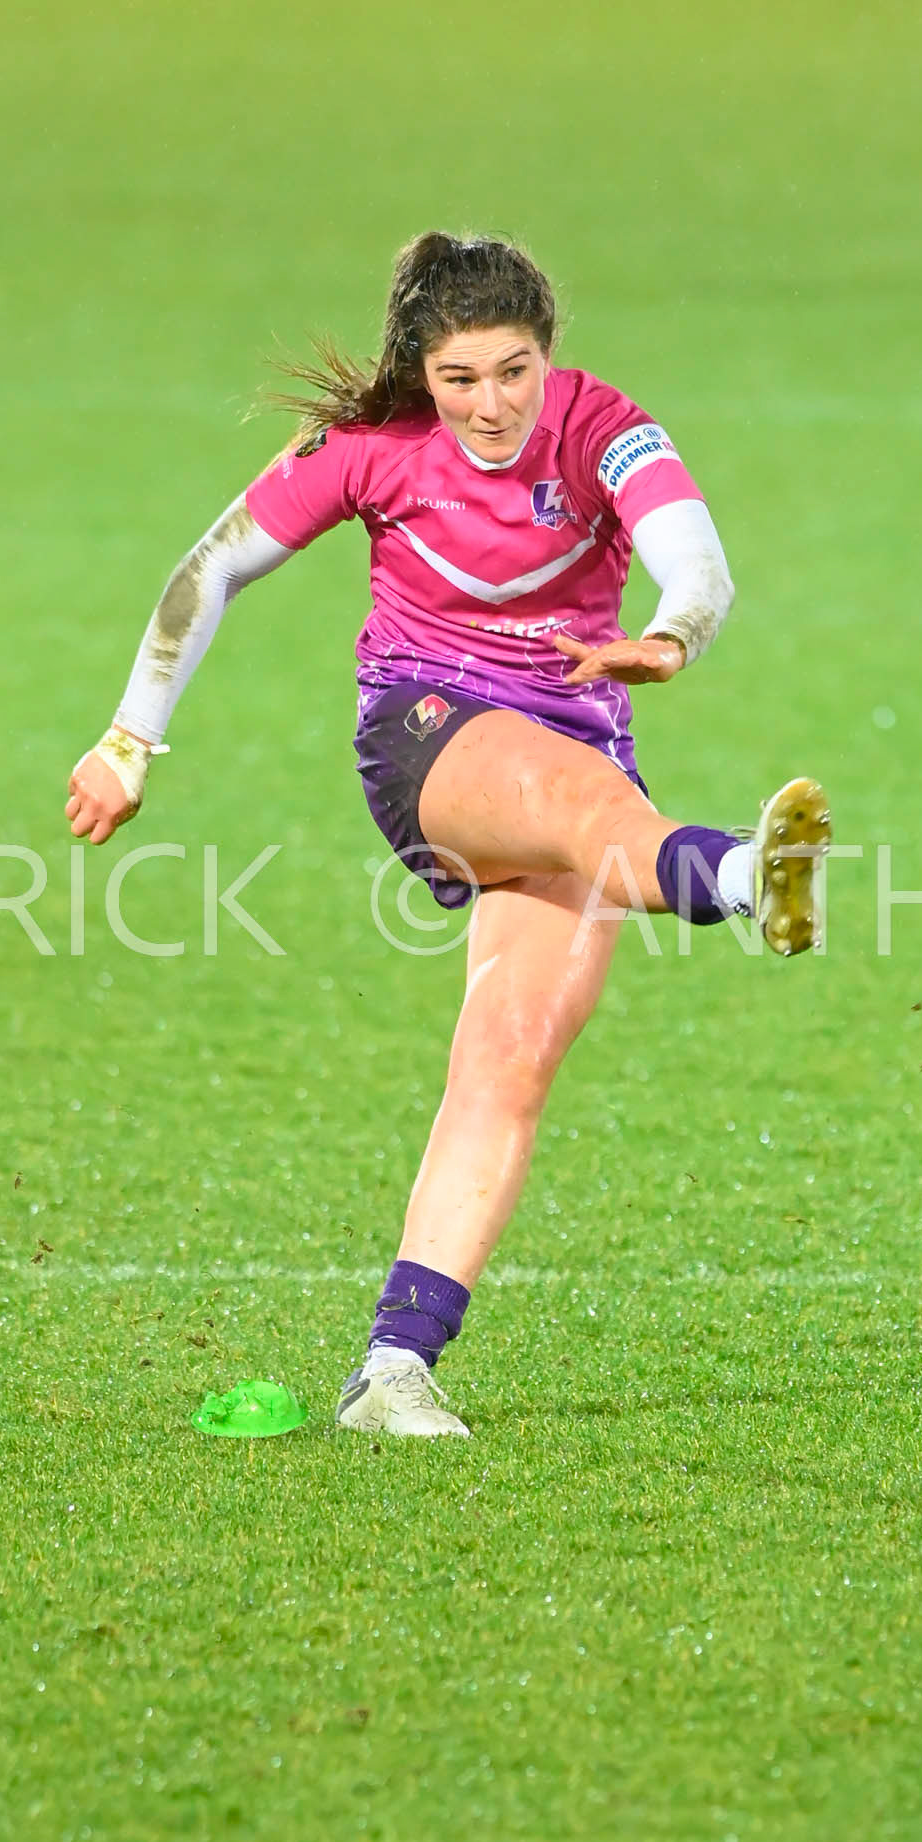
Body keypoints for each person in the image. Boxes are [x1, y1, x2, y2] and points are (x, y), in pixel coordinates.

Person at [65, 232, 829, 1438]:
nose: (488, 404)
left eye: (512, 370)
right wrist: (128, 739)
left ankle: (391, 1366)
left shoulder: (602, 425)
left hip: (582, 745)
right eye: (459, 377)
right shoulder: (371, 447)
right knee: (588, 816)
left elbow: (696, 556)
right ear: (421, 366)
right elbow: (206, 572)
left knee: (511, 1054)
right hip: (428, 733)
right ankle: (743, 871)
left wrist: (669, 635)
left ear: (547, 352)